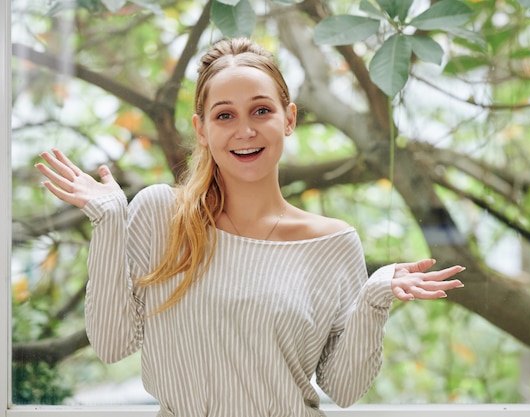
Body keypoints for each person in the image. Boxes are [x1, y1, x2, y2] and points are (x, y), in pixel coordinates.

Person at [35, 37, 465, 417]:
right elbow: (112, 345)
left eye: (261, 110)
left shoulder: (332, 243)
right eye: (224, 116)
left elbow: (344, 389)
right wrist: (109, 219)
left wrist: (374, 298)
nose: (245, 130)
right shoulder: (159, 213)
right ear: (201, 130)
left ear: (289, 119)